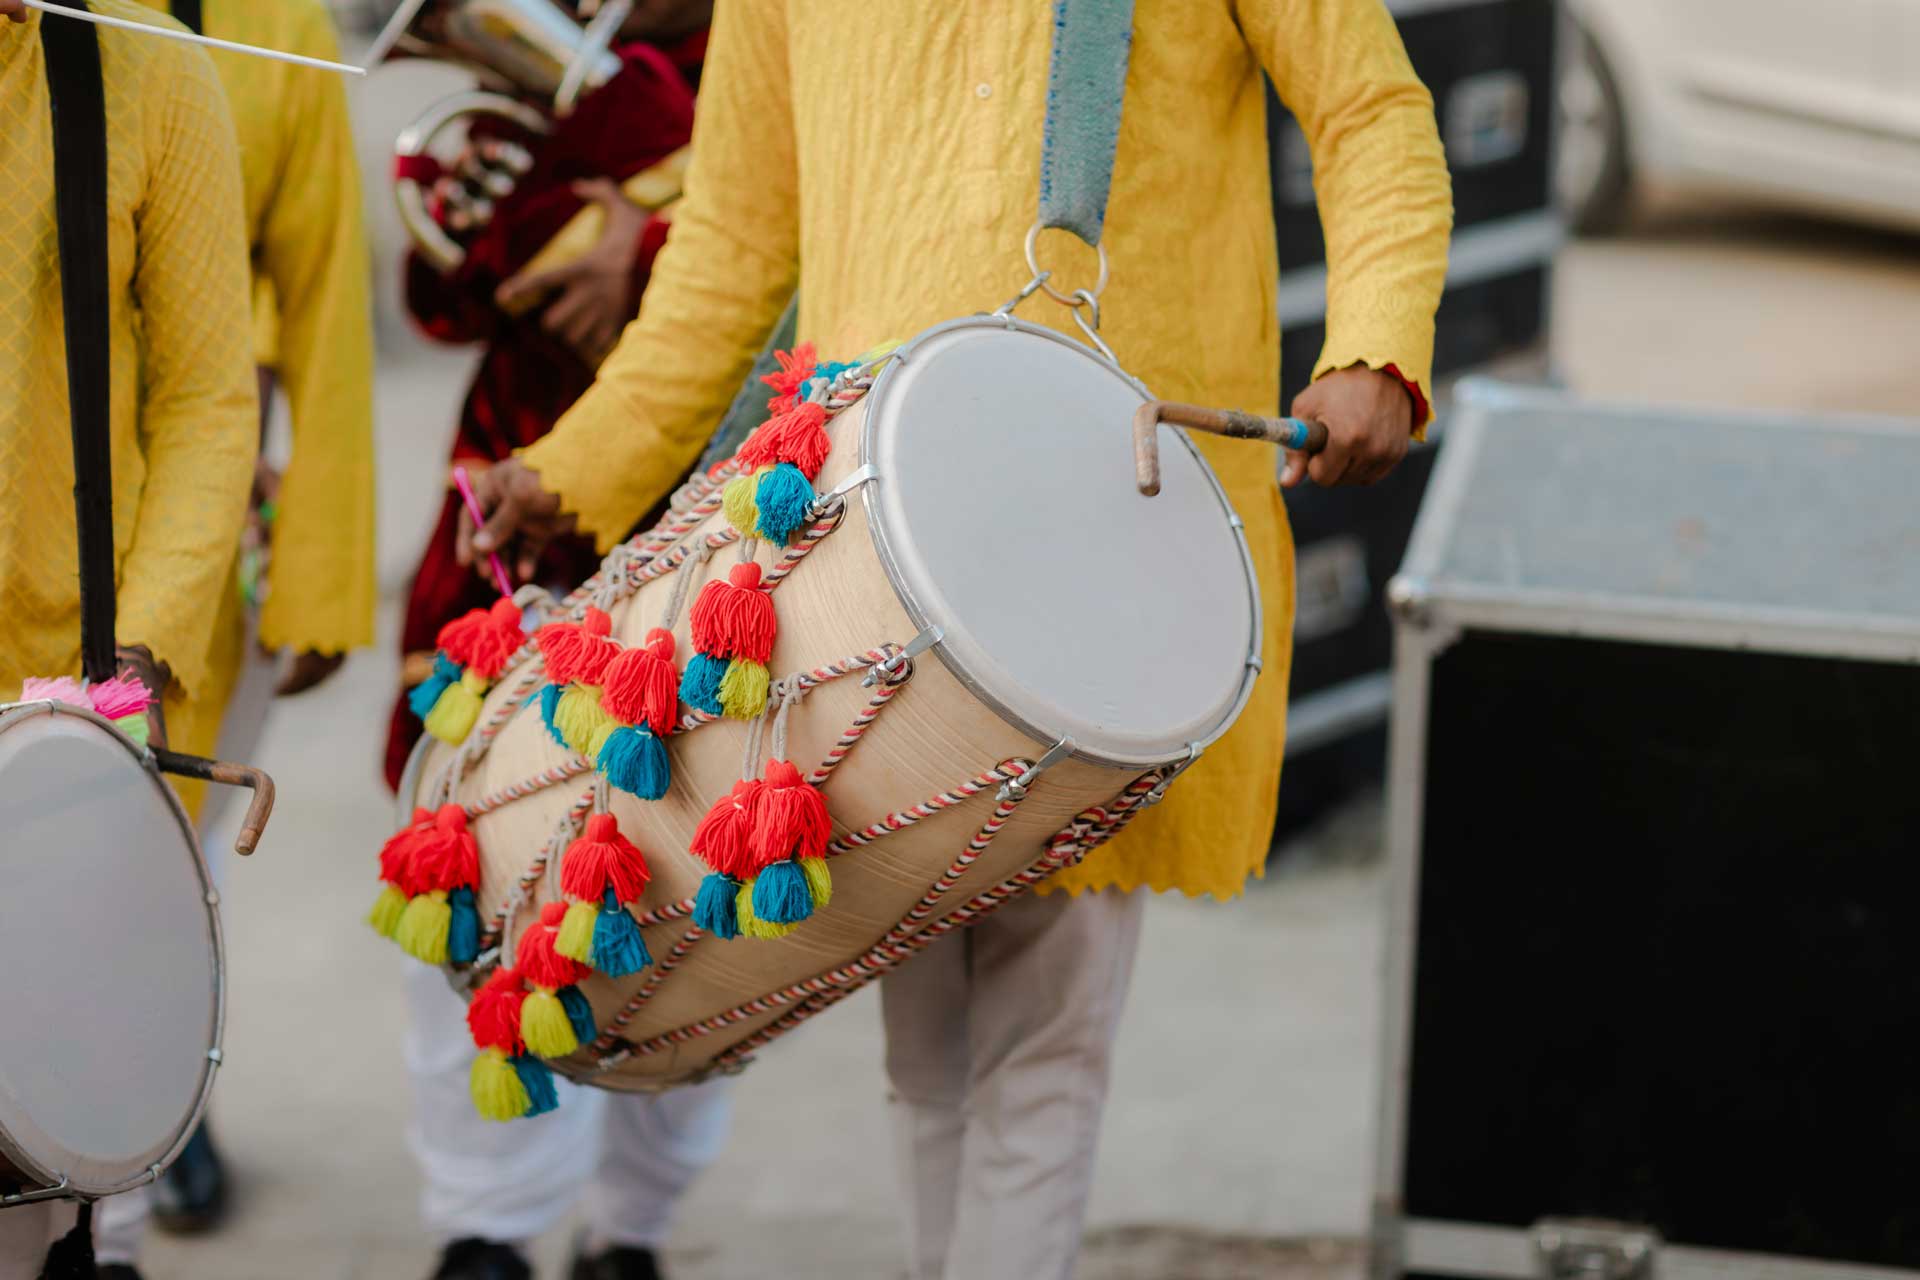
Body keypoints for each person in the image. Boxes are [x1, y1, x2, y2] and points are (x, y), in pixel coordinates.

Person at [461, 1, 1452, 1277]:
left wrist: (1377, 343)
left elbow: (1374, 110)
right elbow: (732, 245)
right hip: (863, 559)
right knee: (926, 1042)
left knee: (1044, 1036)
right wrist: (569, 468)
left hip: (1116, 523)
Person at [376, 5, 733, 1278]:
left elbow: (795, 260)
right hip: (514, 526)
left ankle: (633, 1223)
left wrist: (640, 233)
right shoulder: (558, 95)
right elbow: (454, 290)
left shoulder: (772, 52)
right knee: (467, 853)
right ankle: (489, 1221)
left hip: (711, 521)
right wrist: (593, 207)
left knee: (693, 873)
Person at [84, 0, 379, 1253]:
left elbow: (321, 293)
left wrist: (320, 562)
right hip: (59, 503)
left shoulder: (282, 27)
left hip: (216, 520)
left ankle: (151, 1127)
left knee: (161, 862)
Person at [0, 0, 256, 1272]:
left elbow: (212, 397)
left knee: (39, 1185)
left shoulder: (150, 63)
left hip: (56, 720)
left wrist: (139, 650)